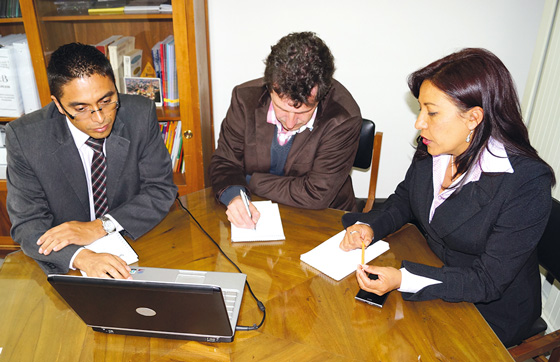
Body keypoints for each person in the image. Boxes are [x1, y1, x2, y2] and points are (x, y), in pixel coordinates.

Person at [339, 48, 555, 347]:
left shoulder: (526, 183)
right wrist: (370, 227)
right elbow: (404, 200)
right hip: (436, 274)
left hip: (487, 313)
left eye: (432, 112)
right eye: (420, 109)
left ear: (473, 118)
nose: (419, 123)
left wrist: (403, 278)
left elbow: (487, 281)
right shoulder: (435, 147)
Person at [5, 43, 177, 279]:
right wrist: (82, 258)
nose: (99, 118)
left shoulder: (140, 114)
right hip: (66, 262)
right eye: (82, 108)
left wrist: (99, 227)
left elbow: (160, 190)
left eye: (107, 100)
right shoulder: (26, 137)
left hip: (136, 242)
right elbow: (28, 224)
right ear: (59, 105)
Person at [209, 32, 362, 229]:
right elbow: (225, 161)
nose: (290, 123)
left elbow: (317, 194)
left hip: (324, 219)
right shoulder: (244, 99)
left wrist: (251, 180)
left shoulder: (342, 118)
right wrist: (235, 195)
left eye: (303, 112)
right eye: (281, 108)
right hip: (257, 211)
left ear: (321, 96)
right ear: (270, 87)